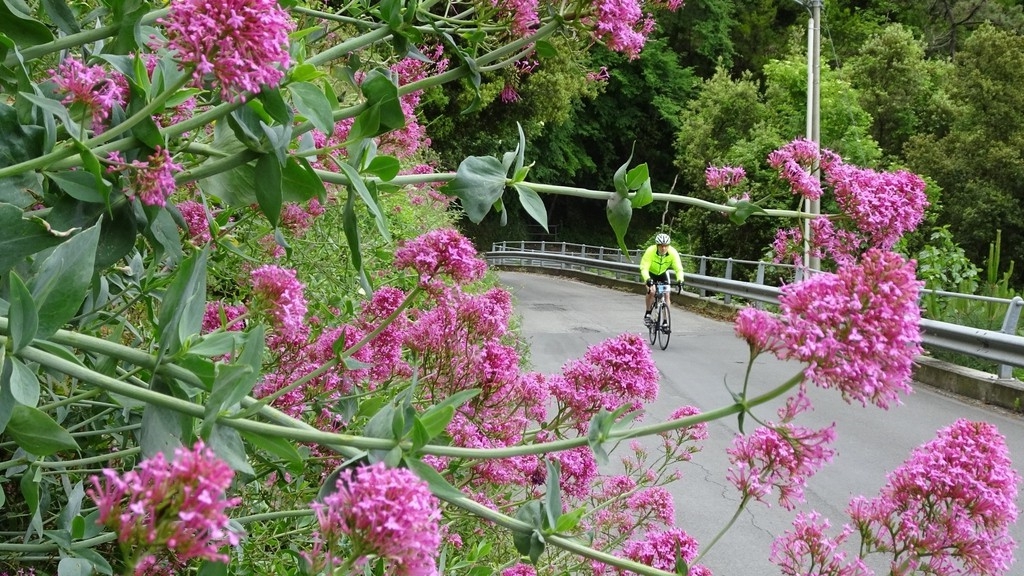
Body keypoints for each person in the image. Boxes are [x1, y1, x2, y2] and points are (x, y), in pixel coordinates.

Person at [639, 233, 685, 323]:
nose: (663, 248)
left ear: (668, 246)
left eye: (666, 246)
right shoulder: (650, 251)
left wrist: (680, 280)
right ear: (657, 245)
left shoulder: (673, 253)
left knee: (667, 294)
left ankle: (665, 321)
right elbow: (644, 268)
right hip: (650, 273)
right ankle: (648, 312)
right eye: (661, 246)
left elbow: (679, 269)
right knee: (652, 291)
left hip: (663, 273)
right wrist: (647, 279)